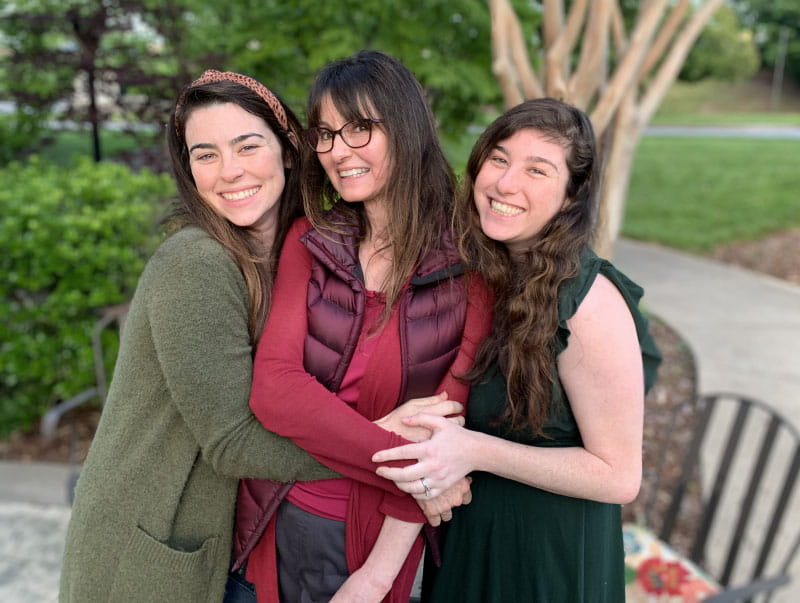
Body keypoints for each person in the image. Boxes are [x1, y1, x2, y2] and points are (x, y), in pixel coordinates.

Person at [58, 70, 342, 603]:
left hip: (204, 541)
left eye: (247, 146)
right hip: (144, 548)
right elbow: (233, 441)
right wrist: (383, 454)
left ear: (286, 149)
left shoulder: (289, 253)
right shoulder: (197, 262)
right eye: (205, 154)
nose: (229, 171)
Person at [371, 98, 662, 602]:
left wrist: (476, 451)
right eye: (499, 159)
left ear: (572, 197)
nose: (506, 184)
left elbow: (619, 477)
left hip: (548, 561)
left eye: (537, 170)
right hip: (469, 545)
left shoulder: (588, 301)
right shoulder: (485, 275)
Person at [232, 50, 491, 602]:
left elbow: (442, 432)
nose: (336, 151)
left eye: (360, 129)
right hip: (276, 513)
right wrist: (414, 471)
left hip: (376, 538)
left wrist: (375, 577)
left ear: (405, 128)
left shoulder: (471, 265)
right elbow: (273, 388)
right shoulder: (312, 240)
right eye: (325, 133)